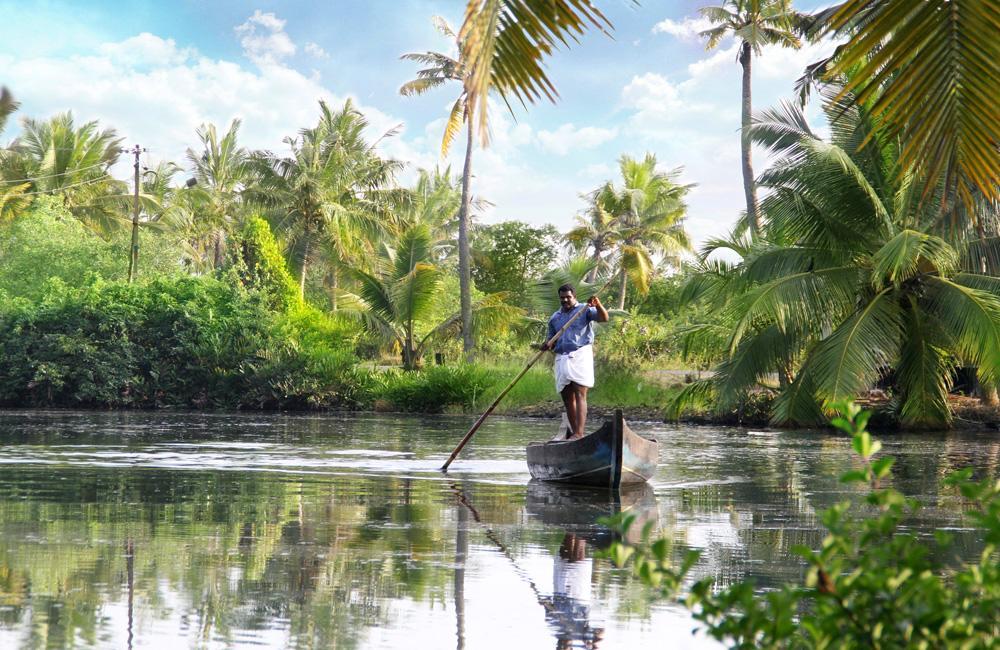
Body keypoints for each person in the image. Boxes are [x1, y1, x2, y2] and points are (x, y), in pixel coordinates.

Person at [540, 284, 609, 439]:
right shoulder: (555, 318)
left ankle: (579, 433)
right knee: (567, 396)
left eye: (568, 297)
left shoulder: (584, 310)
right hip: (562, 357)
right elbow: (551, 341)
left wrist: (598, 305)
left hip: (580, 354)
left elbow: (604, 318)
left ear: (574, 296)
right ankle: (574, 432)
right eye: (562, 298)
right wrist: (547, 345)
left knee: (580, 393)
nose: (565, 300)